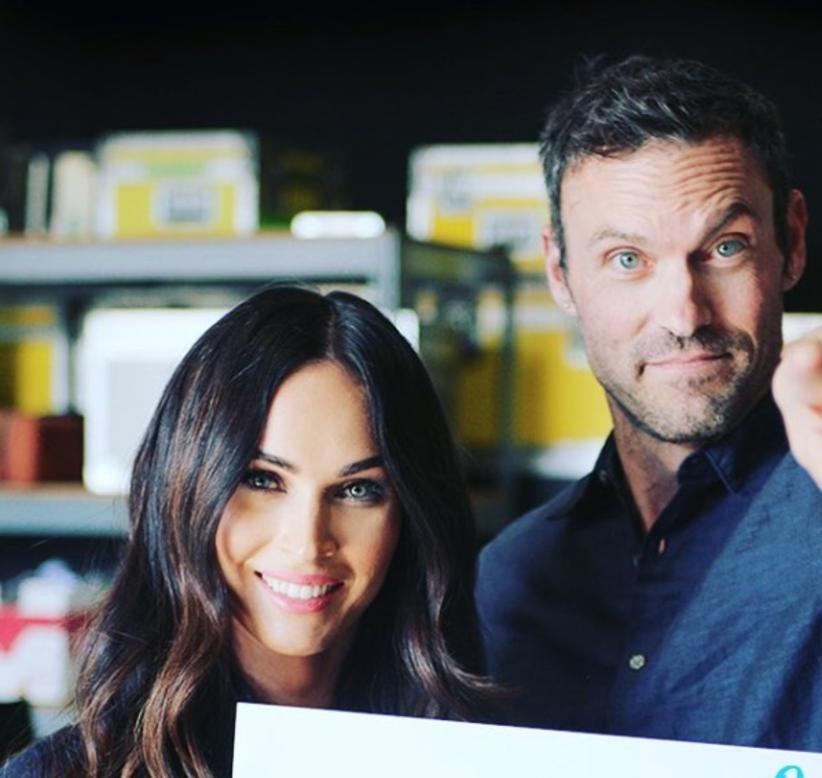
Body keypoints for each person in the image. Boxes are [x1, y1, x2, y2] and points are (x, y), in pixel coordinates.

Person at [3, 285, 493, 777]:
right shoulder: (68, 772)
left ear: (411, 514)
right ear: (185, 489)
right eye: (262, 480)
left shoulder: (483, 754)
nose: (307, 544)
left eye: (357, 490)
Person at [476, 56, 822, 750]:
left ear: (790, 241)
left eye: (724, 247)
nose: (684, 314)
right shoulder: (509, 581)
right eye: (627, 260)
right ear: (560, 273)